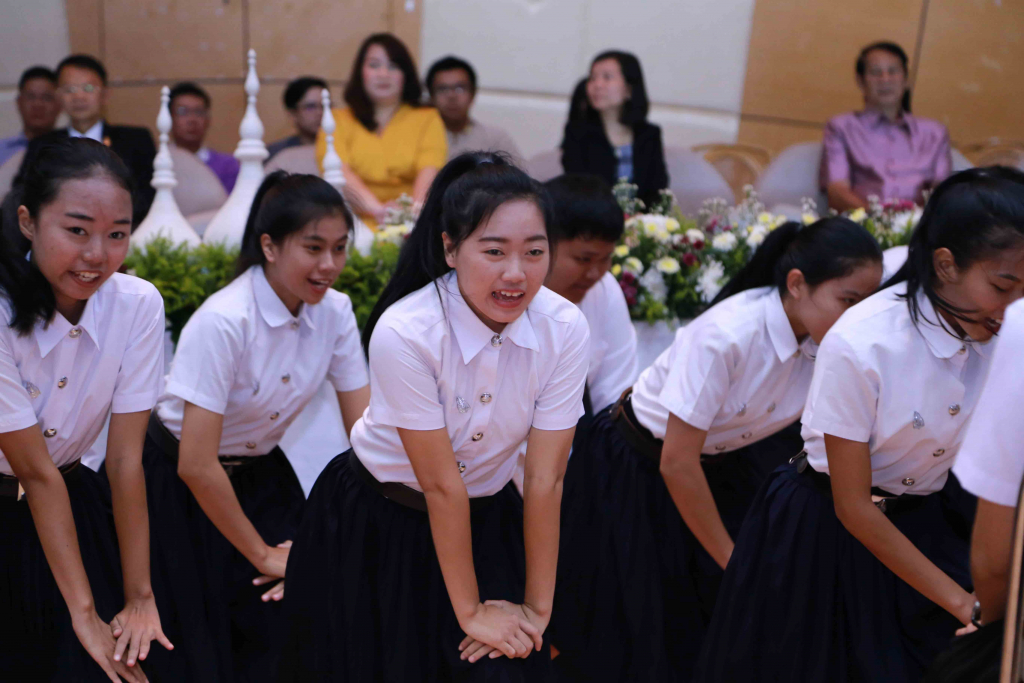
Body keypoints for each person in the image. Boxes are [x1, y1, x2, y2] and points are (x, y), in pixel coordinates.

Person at [695, 166, 1024, 683]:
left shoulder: (1007, 333)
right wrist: (965, 603)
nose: (1015, 304)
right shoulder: (864, 340)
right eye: (1004, 284)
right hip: (823, 529)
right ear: (945, 265)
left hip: (920, 522)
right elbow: (853, 507)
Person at [277, 152, 590, 682]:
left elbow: (546, 477)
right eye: (494, 251)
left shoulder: (564, 327)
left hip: (486, 520)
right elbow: (441, 486)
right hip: (377, 526)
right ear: (449, 248)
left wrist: (538, 610)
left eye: (535, 252)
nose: (516, 273)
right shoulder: (407, 330)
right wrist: (470, 613)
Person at [553, 217, 884, 682]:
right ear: (796, 284)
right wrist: (734, 561)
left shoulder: (831, 343)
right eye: (848, 301)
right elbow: (677, 462)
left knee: (710, 625)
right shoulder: (728, 334)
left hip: (716, 464)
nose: (858, 317)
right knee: (629, 631)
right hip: (633, 466)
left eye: (868, 303)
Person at [139, 171, 370, 682]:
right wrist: (264, 554)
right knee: (198, 643)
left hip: (261, 475)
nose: (330, 265)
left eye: (339, 248)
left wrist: (325, 546)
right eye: (313, 247)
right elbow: (196, 465)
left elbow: (367, 437)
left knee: (296, 623)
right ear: (269, 246)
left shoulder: (335, 312)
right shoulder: (226, 320)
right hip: (176, 484)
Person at [0, 138, 172, 682]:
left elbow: (124, 461)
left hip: (74, 507)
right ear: (28, 222)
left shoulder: (137, 305)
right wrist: (85, 615)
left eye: (117, 234)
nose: (98, 254)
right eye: (77, 231)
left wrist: (139, 596)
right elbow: (34, 472)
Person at [316, 33, 446, 226]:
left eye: (393, 66)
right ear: (360, 72)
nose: (383, 74)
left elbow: (430, 172)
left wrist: (410, 215)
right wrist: (378, 210)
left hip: (413, 221)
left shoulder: (428, 118)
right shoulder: (337, 119)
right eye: (374, 65)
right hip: (351, 222)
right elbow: (338, 172)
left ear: (405, 74)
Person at [20, 54, 156, 224]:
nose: (79, 97)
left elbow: (150, 196)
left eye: (88, 88)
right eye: (69, 89)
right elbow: (24, 196)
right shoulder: (42, 145)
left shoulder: (136, 140)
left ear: (105, 94)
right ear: (58, 97)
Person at [821, 41, 951, 211]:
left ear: (906, 79)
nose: (885, 79)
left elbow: (944, 192)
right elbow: (837, 192)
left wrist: (913, 220)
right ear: (860, 81)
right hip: (863, 223)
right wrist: (878, 219)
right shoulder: (841, 127)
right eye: (876, 72)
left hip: (923, 224)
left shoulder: (935, 132)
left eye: (893, 71)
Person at [560, 51, 668, 207]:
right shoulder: (577, 133)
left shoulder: (649, 134)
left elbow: (658, 190)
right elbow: (577, 189)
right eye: (592, 78)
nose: (597, 85)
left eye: (607, 77)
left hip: (641, 219)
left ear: (629, 89)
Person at [426, 56, 524, 166]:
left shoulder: (495, 139)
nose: (452, 96)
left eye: (460, 88)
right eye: (443, 89)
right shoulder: (422, 138)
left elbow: (520, 175)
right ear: (431, 96)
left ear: (473, 93)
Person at [168, 82, 240, 193]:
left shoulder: (228, 166)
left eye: (199, 112)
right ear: (168, 118)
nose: (192, 119)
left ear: (208, 120)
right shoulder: (155, 162)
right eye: (182, 111)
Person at [0, 66, 60, 168]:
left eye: (46, 97)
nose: (38, 105)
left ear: (59, 104)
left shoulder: (72, 151)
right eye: (30, 97)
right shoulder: (2, 151)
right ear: (19, 102)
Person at [266, 76, 328, 162]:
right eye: (311, 107)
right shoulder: (276, 154)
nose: (320, 112)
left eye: (325, 106)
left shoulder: (343, 148)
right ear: (292, 114)